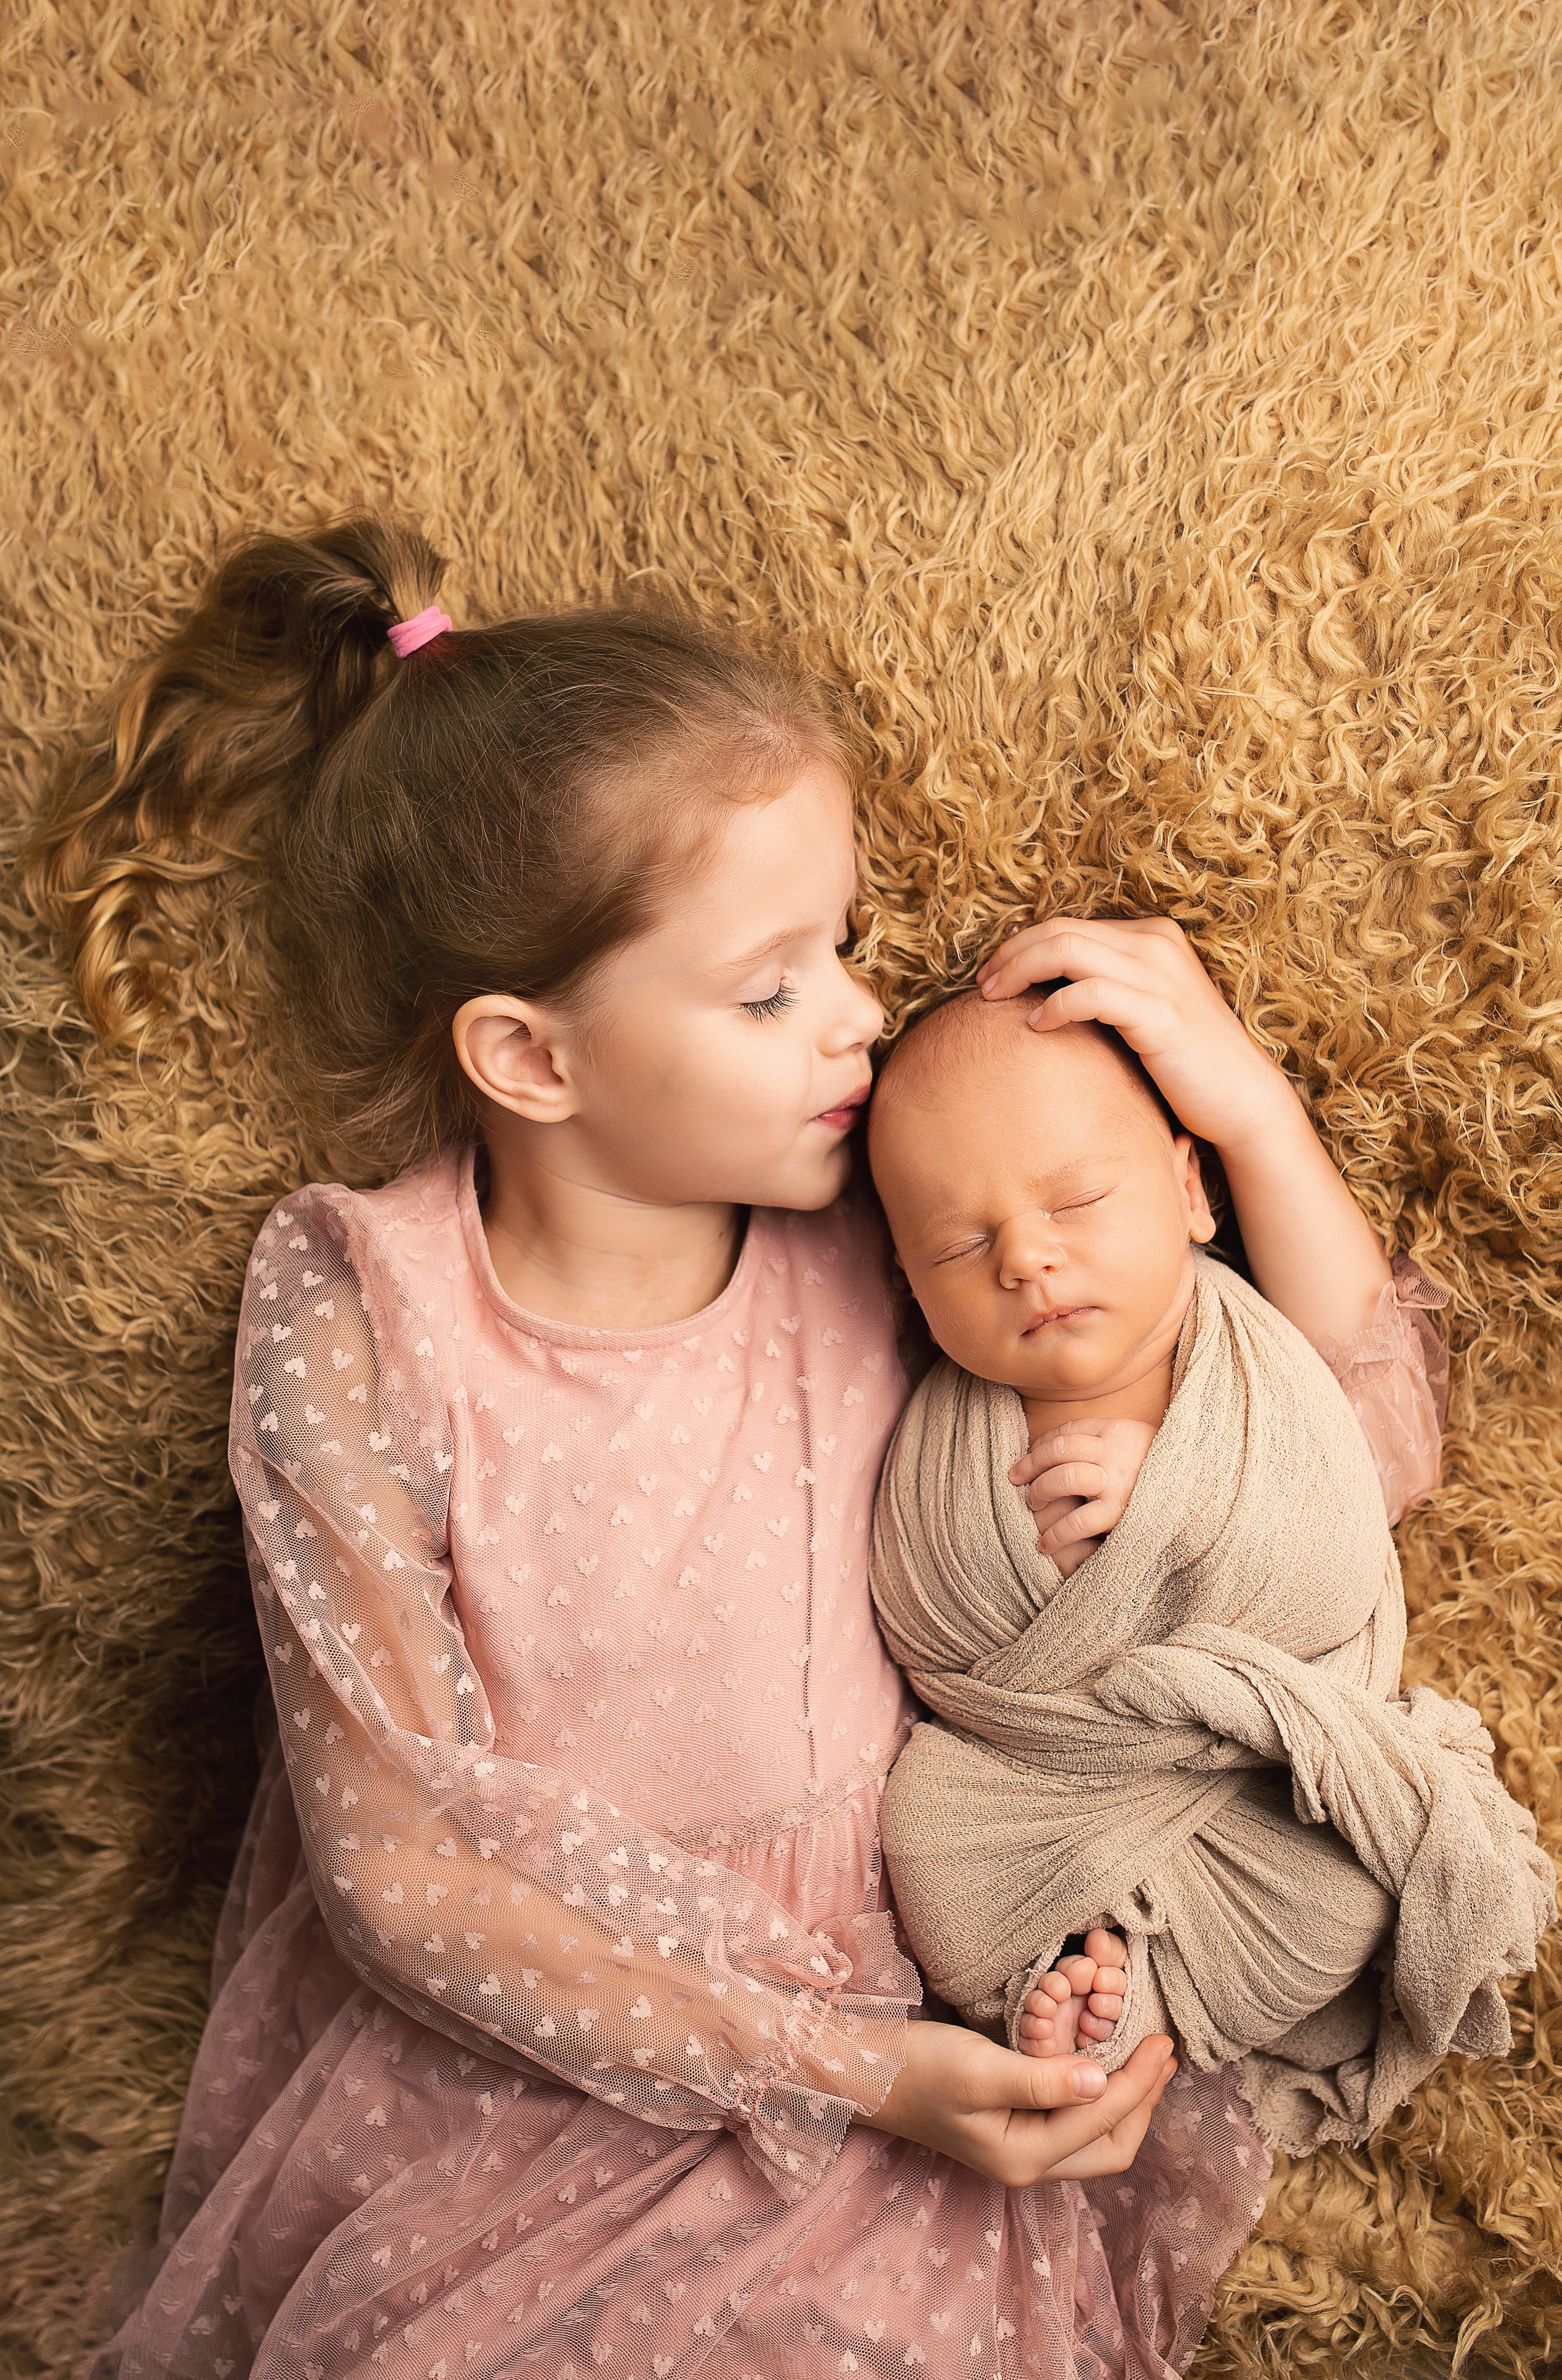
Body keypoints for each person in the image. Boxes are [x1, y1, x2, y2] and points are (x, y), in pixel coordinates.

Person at [24, 512, 1445, 2380]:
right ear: (533, 1060)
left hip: (908, 2000)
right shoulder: (367, 1305)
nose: (863, 1017)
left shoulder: (897, 1242)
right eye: (772, 987)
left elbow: (1345, 1452)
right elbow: (395, 1873)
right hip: (525, 2055)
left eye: (841, 948)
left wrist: (1245, 1116)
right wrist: (838, 2069)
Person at [863, 997, 1552, 2155]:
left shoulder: (1253, 1368)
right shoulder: (944, 1442)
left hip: (1258, 1781)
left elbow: (1338, 1559)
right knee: (926, 1841)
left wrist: (1180, 1515)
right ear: (912, 1288)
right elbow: (925, 1621)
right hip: (1048, 1782)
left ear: (1191, 1192)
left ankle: (1140, 1992)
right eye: (956, 1247)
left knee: (1350, 1897)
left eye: (1076, 1201)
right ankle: (1100, 1992)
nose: (1024, 1257)